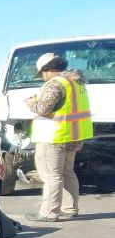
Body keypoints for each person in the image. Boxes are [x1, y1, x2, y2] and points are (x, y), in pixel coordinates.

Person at [23, 53, 93, 222]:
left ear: (50, 69)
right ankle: (69, 208)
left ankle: (49, 213)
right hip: (73, 136)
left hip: (54, 136)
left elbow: (43, 108)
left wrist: (31, 102)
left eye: (43, 73)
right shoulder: (77, 82)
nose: (43, 77)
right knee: (67, 173)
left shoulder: (55, 84)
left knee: (51, 176)